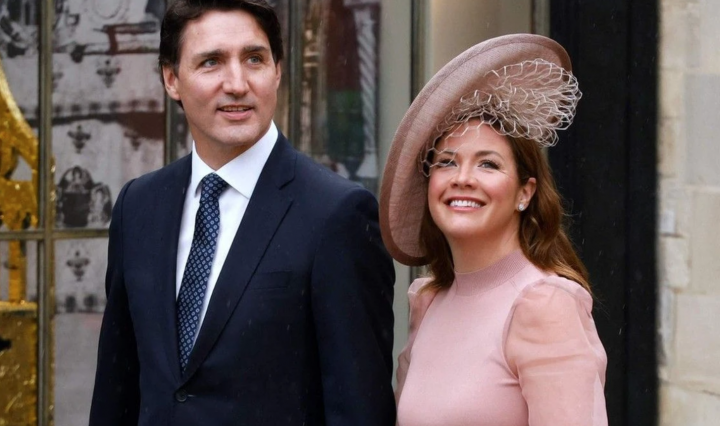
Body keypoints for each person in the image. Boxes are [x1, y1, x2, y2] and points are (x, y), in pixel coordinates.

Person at [89, 1, 396, 425]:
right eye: (211, 62)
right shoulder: (138, 206)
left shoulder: (338, 215)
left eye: (254, 59)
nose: (237, 84)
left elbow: (360, 409)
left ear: (277, 71)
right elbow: (116, 391)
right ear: (171, 79)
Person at [380, 34, 607, 425]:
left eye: (488, 164)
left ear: (525, 192)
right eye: (447, 162)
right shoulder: (429, 302)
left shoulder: (545, 306)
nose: (463, 178)